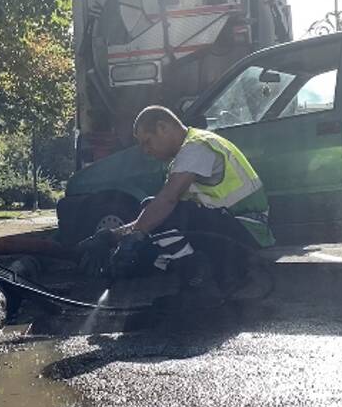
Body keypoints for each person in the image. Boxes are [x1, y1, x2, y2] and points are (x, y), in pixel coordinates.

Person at [78, 105, 275, 305]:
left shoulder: (196, 147)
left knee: (162, 215)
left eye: (147, 142)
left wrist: (136, 236)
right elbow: (154, 212)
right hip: (234, 229)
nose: (146, 151)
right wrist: (112, 236)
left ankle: (199, 286)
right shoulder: (188, 153)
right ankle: (212, 278)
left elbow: (167, 203)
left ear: (163, 127)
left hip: (246, 231)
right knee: (153, 222)